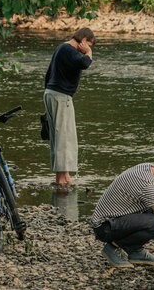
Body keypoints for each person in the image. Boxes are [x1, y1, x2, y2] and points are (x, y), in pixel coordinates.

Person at [43, 27, 95, 188]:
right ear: (84, 40)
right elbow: (84, 64)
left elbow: (48, 73)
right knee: (64, 138)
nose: (89, 48)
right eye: (89, 44)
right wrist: (88, 54)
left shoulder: (62, 48)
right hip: (60, 96)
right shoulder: (69, 49)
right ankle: (61, 180)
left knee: (60, 137)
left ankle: (64, 175)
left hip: (52, 93)